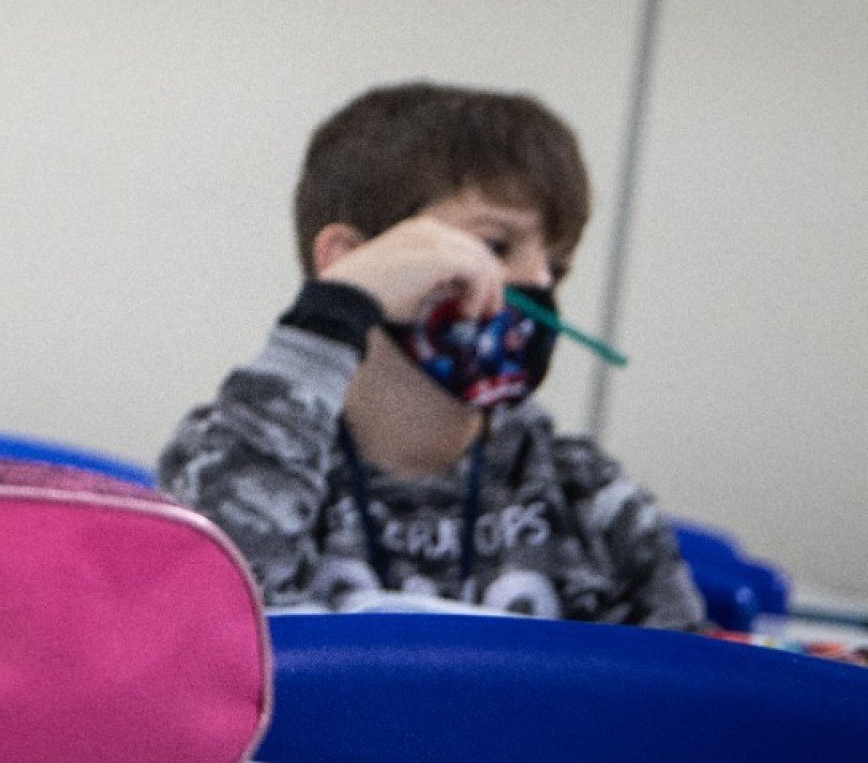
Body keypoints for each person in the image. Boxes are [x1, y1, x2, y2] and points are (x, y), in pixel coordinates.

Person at [158, 82, 702, 628]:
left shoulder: (587, 496)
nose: (538, 284)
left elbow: (691, 698)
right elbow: (201, 630)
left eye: (557, 268)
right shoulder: (233, 453)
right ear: (352, 261)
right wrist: (332, 313)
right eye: (495, 247)